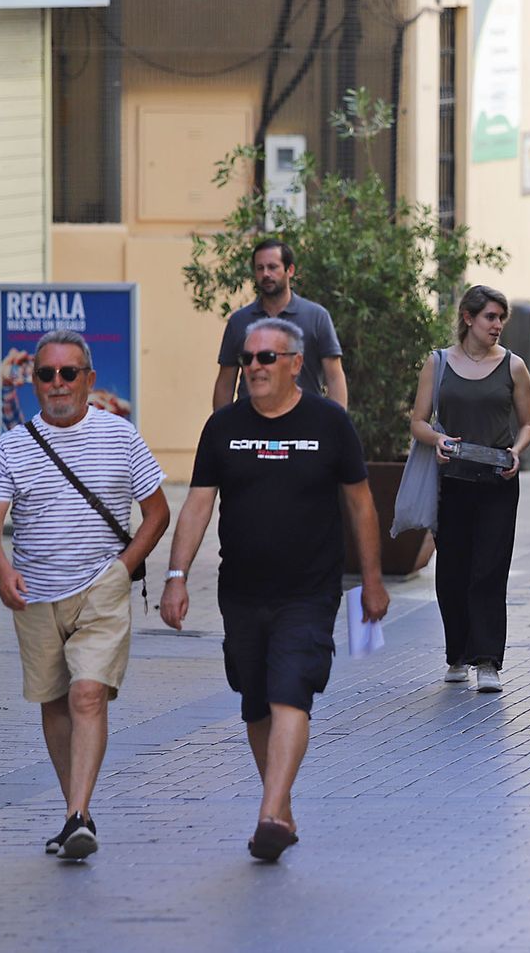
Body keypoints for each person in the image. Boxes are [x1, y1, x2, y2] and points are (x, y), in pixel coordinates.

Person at [161, 317, 390, 861]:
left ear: (294, 363)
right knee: (255, 703)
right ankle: (280, 808)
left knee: (292, 691)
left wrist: (374, 581)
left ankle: (268, 812)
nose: (254, 368)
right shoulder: (223, 427)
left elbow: (360, 504)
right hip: (240, 591)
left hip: (309, 591)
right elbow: (198, 504)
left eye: (266, 358)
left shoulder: (330, 423)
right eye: (248, 359)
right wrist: (175, 576)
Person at [0, 329, 170, 861]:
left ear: (89, 379)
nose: (57, 383)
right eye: (46, 374)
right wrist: (1, 569)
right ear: (34, 382)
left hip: (100, 589)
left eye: (68, 373)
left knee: (87, 694)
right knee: (54, 700)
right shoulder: (12, 446)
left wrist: (123, 569)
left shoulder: (120, 436)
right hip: (35, 593)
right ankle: (73, 812)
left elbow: (157, 513)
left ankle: (79, 815)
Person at [408, 285, 530, 693]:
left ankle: (488, 660)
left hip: (498, 481)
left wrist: (517, 451)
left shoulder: (514, 366)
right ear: (468, 317)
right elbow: (418, 421)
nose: (498, 326)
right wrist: (436, 441)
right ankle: (457, 655)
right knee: (452, 572)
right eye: (490, 317)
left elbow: (529, 423)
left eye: (501, 318)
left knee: (489, 570)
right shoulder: (438, 363)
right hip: (452, 482)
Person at [213, 239, 348, 410]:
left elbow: (334, 376)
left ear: (289, 270)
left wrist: (336, 426)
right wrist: (222, 429)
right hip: (251, 426)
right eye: (260, 268)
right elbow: (225, 382)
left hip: (305, 422)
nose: (266, 274)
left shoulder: (316, 317)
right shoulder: (239, 321)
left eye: (273, 267)